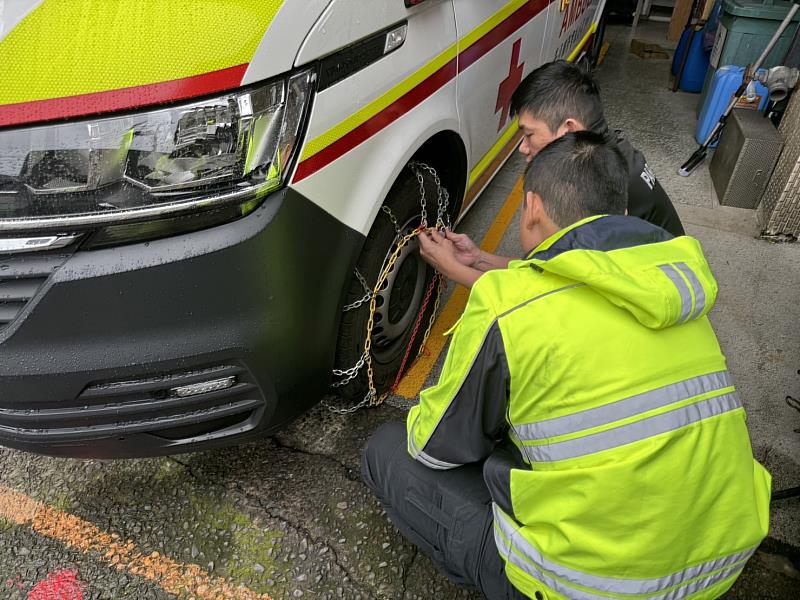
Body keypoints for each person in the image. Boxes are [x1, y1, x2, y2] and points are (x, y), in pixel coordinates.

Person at [362, 132, 770, 600]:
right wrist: (483, 264)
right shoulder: (675, 284)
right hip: (718, 568)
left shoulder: (511, 309)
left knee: (388, 449)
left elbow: (435, 447)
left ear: (532, 206)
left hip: (591, 588)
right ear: (619, 213)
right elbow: (578, 278)